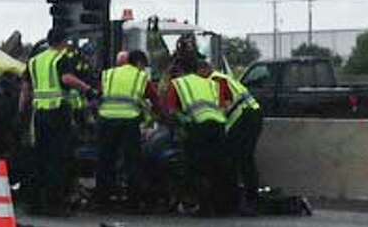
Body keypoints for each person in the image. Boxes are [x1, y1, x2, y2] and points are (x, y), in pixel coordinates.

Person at [20, 29, 96, 215]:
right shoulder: (61, 58)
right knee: (58, 158)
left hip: (39, 115)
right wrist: (88, 90)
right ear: (63, 42)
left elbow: (26, 89)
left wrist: (21, 112)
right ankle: (55, 204)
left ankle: (35, 203)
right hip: (57, 112)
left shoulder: (35, 61)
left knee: (39, 157)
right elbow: (67, 78)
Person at [164, 58, 231, 216]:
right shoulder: (211, 83)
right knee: (218, 166)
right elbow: (222, 107)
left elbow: (172, 111)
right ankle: (221, 206)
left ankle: (203, 206)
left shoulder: (179, 84)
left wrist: (183, 123)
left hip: (198, 127)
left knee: (197, 167)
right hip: (218, 126)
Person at [94, 50, 159, 210]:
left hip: (106, 119)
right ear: (139, 63)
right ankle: (133, 201)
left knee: (105, 160)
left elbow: (99, 95)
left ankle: (103, 200)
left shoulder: (108, 74)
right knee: (132, 161)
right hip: (129, 121)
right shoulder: (140, 77)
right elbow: (154, 99)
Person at [208, 61, 264, 216]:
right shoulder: (221, 77)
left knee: (243, 159)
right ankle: (240, 199)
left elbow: (223, 105)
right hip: (249, 115)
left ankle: (248, 201)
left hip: (245, 117)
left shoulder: (216, 80)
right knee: (239, 159)